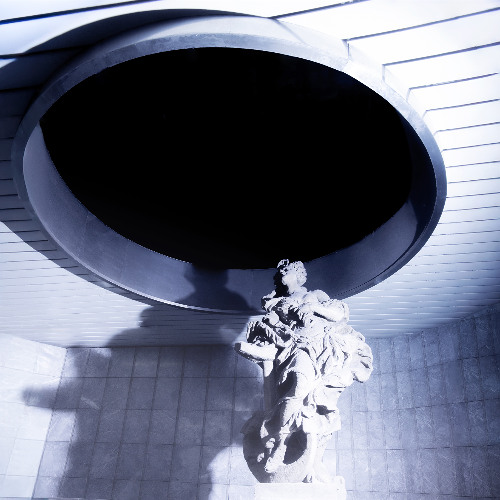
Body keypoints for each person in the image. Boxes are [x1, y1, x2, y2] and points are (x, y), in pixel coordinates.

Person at [244, 259, 373, 478]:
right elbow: (272, 330)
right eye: (279, 273)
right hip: (299, 348)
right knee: (300, 387)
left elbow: (339, 315)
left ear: (298, 274)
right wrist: (268, 324)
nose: (280, 274)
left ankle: (310, 459)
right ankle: (280, 442)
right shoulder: (278, 303)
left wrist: (312, 308)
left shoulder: (315, 295)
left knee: (319, 404)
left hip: (324, 349)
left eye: (285, 270)